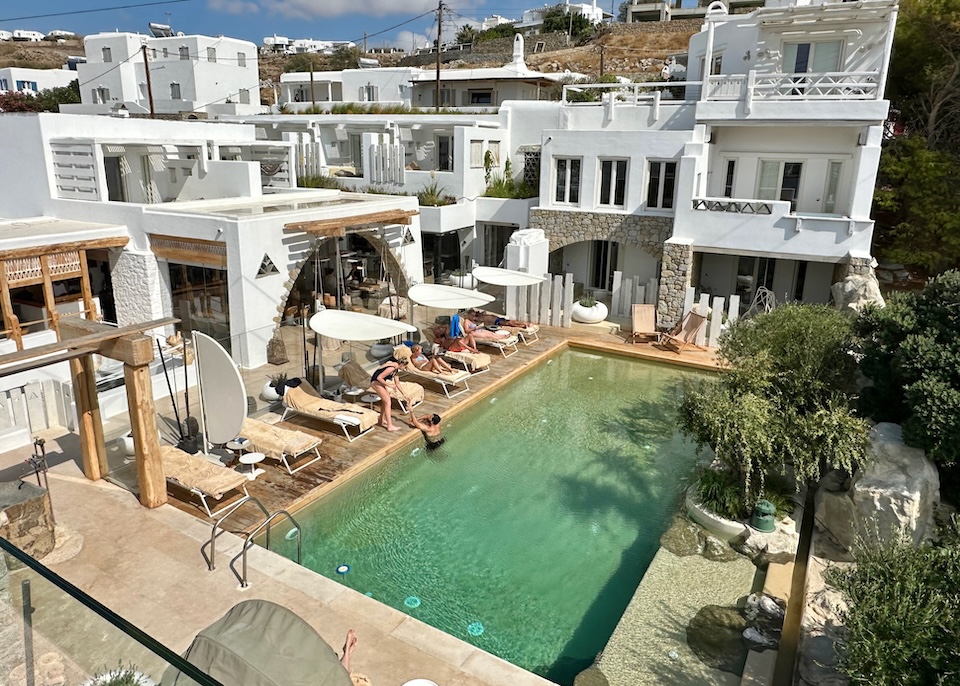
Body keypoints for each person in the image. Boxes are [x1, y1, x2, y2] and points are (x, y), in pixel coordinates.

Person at [369, 347, 411, 431]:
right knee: (388, 402)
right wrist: (389, 385)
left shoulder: (396, 370)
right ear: (402, 364)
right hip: (375, 382)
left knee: (385, 401)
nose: (405, 369)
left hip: (379, 382)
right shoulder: (392, 367)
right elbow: (379, 377)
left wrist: (404, 394)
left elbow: (397, 383)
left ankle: (381, 420)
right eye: (405, 367)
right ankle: (390, 426)